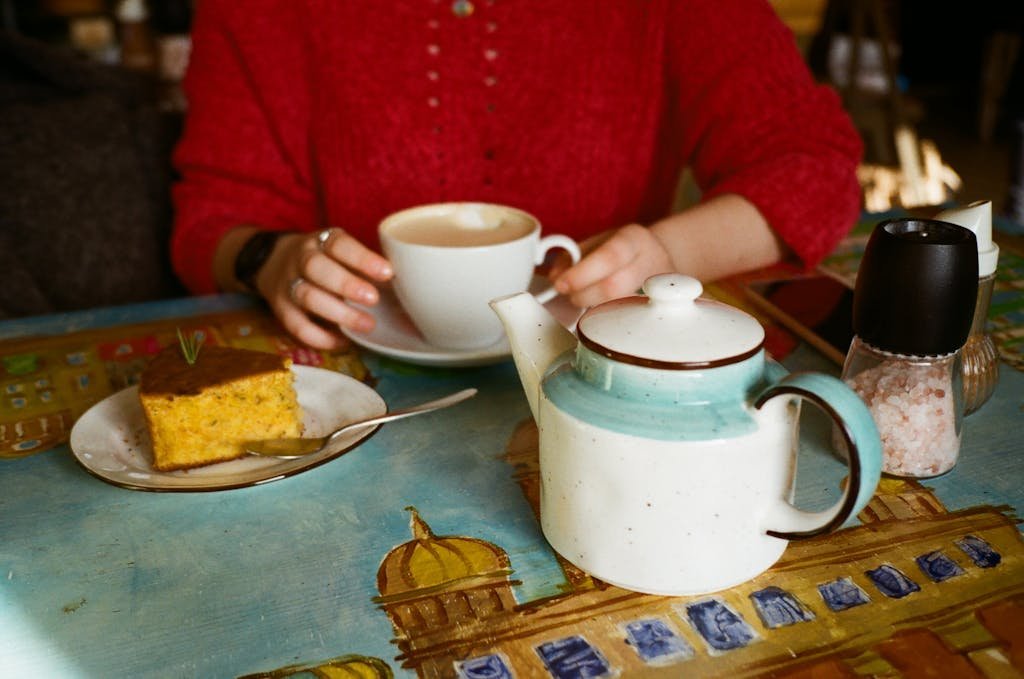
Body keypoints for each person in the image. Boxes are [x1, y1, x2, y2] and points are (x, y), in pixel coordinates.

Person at [171, 0, 863, 350]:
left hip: (599, 368)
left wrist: (669, 254)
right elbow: (212, 217)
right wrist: (268, 257)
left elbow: (813, 169)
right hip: (349, 386)